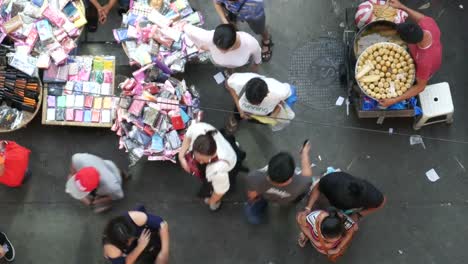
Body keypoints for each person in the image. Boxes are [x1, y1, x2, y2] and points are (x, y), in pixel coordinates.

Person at [379, 0, 442, 107]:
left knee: (415, 80)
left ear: (410, 43)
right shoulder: (428, 25)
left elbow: (420, 87)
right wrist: (401, 6)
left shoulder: (424, 61)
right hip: (426, 55)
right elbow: (420, 17)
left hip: (427, 68)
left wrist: (394, 100)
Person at [244, 141, 313, 224]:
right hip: (285, 202)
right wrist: (304, 153)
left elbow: (252, 195)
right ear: (291, 176)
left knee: (253, 213)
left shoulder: (254, 177)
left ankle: (255, 219)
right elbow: (307, 174)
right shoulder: (302, 183)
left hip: (265, 196)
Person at [178, 122, 237, 211]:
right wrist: (181, 156)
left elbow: (220, 191)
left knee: (212, 186)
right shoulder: (198, 129)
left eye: (203, 160)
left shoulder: (218, 171)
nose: (200, 162)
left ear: (212, 155)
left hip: (228, 164)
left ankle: (216, 201)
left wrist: (211, 201)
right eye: (197, 158)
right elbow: (189, 134)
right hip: (224, 148)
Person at [224, 72, 296, 133]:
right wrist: (240, 109)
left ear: (267, 93)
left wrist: (275, 113)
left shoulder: (279, 90)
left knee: (257, 121)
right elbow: (228, 85)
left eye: (257, 103)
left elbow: (291, 93)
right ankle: (235, 120)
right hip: (241, 109)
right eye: (250, 101)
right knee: (237, 115)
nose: (254, 105)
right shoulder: (239, 81)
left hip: (263, 115)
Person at [304, 171, 386, 221]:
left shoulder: (371, 195)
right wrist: (309, 207)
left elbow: (382, 202)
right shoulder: (331, 180)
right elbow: (317, 187)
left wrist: (358, 215)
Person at [103, 206, 169, 264]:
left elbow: (162, 224)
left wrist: (164, 252)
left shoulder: (134, 217)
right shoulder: (112, 249)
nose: (131, 240)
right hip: (133, 247)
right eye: (128, 240)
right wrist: (140, 247)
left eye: (131, 237)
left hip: (146, 237)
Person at [183, 23, 262, 72]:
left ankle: (231, 69)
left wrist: (256, 65)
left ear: (232, 45)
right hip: (221, 63)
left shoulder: (250, 43)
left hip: (235, 64)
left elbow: (257, 54)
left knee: (231, 68)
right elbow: (188, 30)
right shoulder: (210, 36)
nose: (220, 52)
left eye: (223, 50)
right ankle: (229, 69)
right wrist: (199, 45)